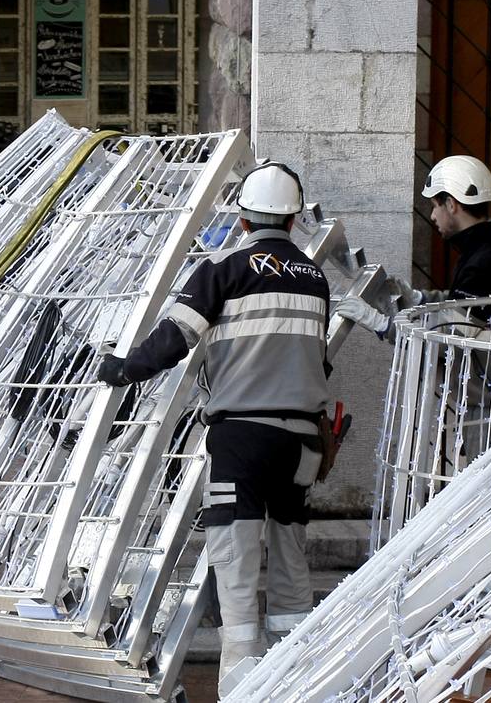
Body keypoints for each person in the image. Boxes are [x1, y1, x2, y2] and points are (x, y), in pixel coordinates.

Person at [96, 162, 329, 692]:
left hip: (242, 436)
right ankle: (296, 683)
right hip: (301, 440)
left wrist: (124, 369)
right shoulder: (313, 278)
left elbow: (176, 336)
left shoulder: (223, 265)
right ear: (293, 221)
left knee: (237, 561)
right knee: (290, 555)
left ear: (243, 219)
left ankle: (243, 689)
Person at [335, 154, 491, 337]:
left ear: (451, 205)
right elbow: (467, 305)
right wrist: (419, 298)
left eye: (435, 206)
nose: (433, 216)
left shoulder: (484, 263)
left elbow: (449, 340)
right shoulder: (488, 248)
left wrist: (381, 324)